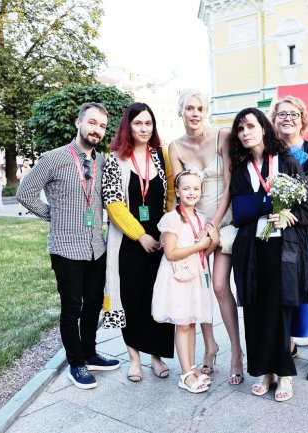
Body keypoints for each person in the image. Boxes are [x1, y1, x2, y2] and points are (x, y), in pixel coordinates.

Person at [16, 102, 120, 389]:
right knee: (72, 307)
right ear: (78, 123)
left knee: (94, 304)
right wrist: (53, 215)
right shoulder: (53, 159)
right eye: (92, 123)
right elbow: (25, 193)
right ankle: (76, 362)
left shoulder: (103, 162)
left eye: (102, 126)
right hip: (65, 248)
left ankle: (90, 353)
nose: (97, 129)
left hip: (95, 247)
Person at [229, 107, 308, 402]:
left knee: (279, 311)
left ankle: (284, 373)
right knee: (255, 310)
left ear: (264, 128)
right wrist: (270, 203)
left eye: (250, 126)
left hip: (282, 248)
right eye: (240, 129)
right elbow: (239, 213)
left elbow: (306, 206)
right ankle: (264, 371)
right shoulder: (241, 169)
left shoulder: (287, 161)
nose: (245, 133)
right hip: (252, 249)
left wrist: (290, 215)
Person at [168, 88, 244, 384]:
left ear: (206, 111)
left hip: (223, 222)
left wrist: (212, 226)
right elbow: (178, 191)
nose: (195, 113)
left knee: (220, 287)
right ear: (181, 111)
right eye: (190, 108)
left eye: (200, 108)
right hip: (195, 227)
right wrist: (184, 228)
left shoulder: (223, 136)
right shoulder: (175, 147)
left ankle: (236, 352)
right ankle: (210, 347)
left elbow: (230, 185)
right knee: (199, 288)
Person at [101, 102, 175, 383]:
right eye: (138, 123)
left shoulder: (161, 156)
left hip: (160, 240)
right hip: (129, 243)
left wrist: (166, 229)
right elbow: (113, 203)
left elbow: (171, 194)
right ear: (127, 126)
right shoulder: (115, 159)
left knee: (157, 298)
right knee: (131, 300)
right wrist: (140, 235)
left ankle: (156, 356)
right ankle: (134, 359)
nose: (144, 129)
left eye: (148, 123)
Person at [270, 96, 308, 380]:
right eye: (282, 114)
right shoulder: (269, 152)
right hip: (274, 233)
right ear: (274, 120)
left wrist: (296, 222)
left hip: (305, 233)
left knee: (306, 289)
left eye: (294, 114)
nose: (288, 119)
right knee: (281, 290)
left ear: (303, 119)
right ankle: (289, 345)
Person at [152, 170, 219, 393]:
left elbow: (204, 253)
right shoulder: (172, 219)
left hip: (195, 275)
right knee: (182, 324)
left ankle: (191, 367)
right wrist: (200, 245)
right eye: (186, 188)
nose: (192, 192)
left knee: (190, 322)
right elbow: (170, 253)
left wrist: (213, 241)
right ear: (178, 192)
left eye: (196, 188)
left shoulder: (203, 218)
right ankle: (185, 374)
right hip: (177, 277)